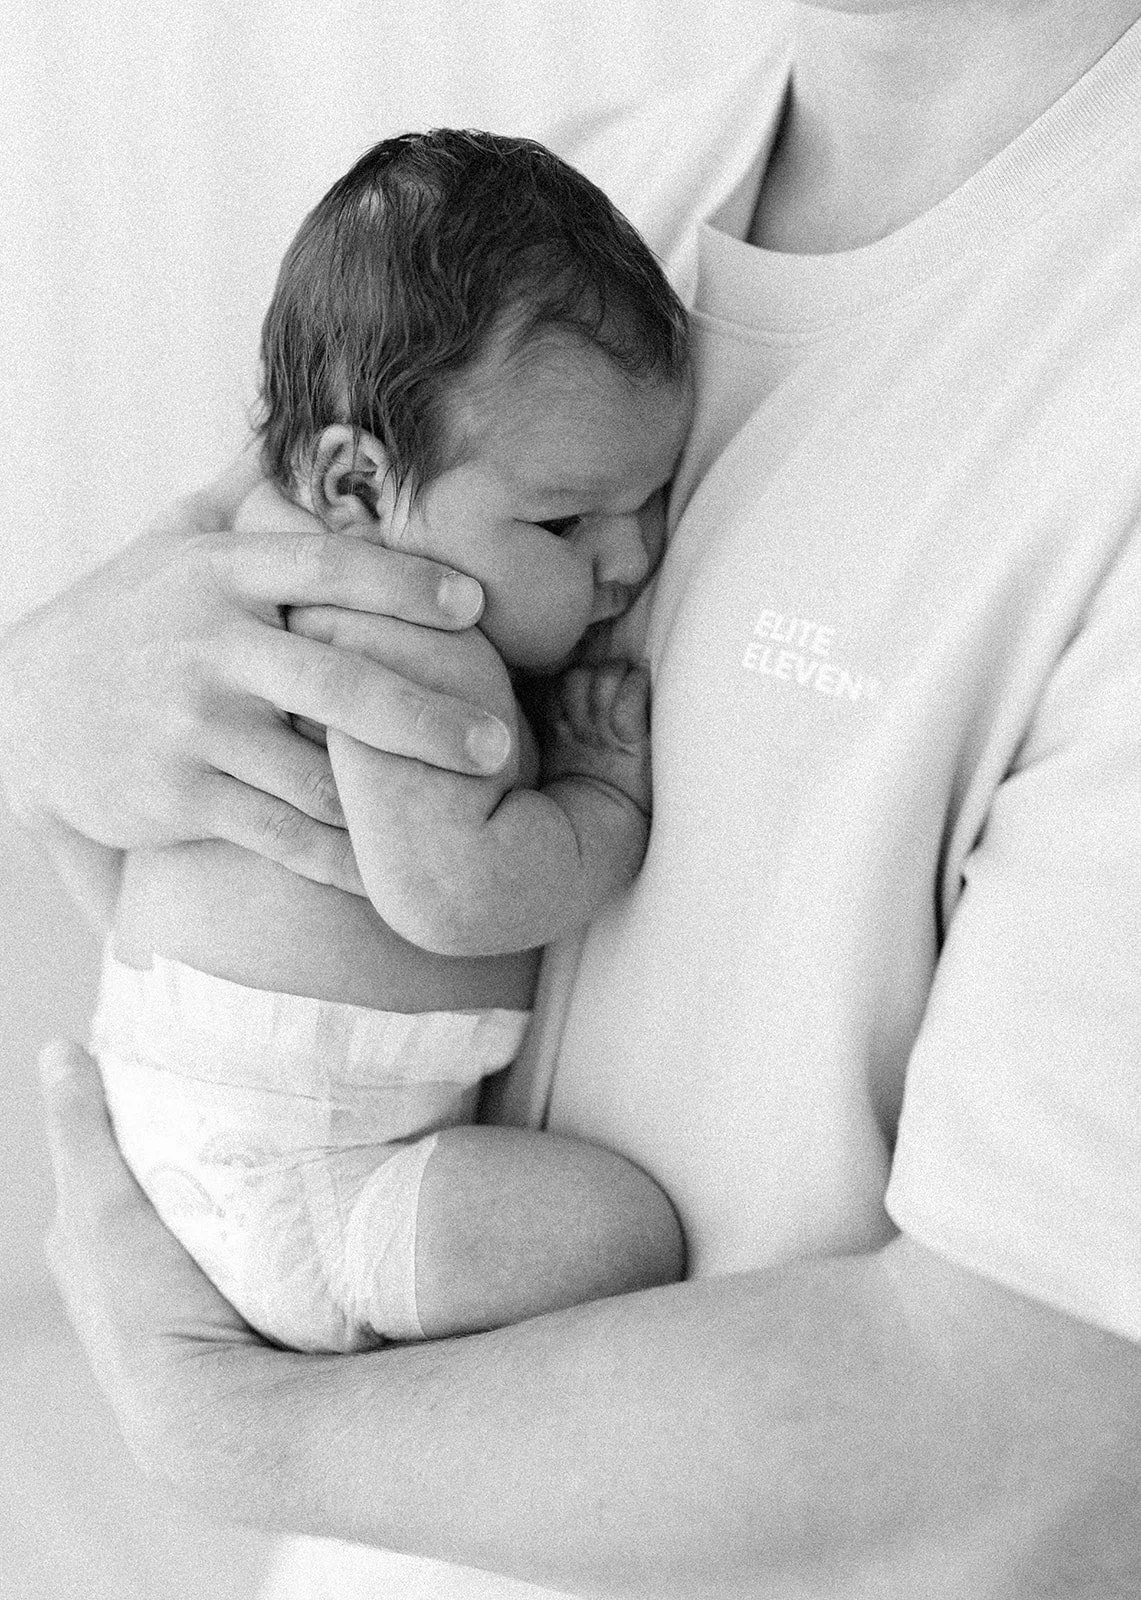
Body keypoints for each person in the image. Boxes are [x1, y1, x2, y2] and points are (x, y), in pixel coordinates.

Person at [10, 1, 1141, 1595]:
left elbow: (1042, 1443)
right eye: (572, 529)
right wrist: (36, 700)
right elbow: (152, 665)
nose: (619, 562)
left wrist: (225, 1428)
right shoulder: (579, 224)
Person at [96, 128, 689, 1352]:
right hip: (312, 1185)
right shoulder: (394, 633)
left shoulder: (285, 535)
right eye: (569, 519)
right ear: (356, 485)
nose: (628, 561)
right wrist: (599, 799)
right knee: (626, 1234)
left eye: (650, 503)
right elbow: (457, 894)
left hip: (226, 1120)